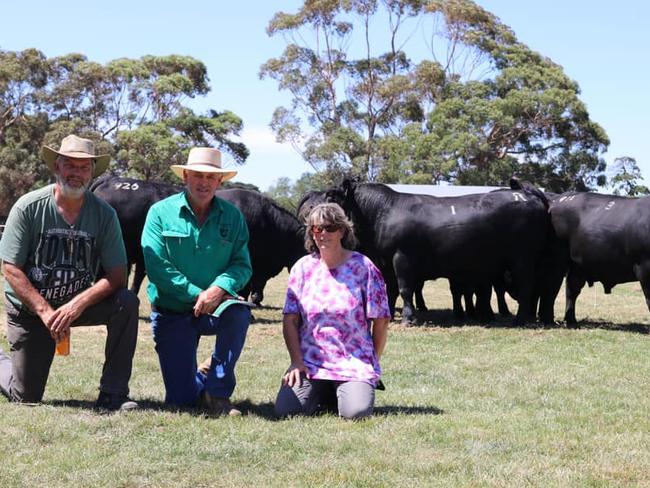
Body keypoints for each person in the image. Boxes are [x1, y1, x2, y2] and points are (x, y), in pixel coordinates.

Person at [0, 134, 139, 411]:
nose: (77, 173)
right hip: (31, 311)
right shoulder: (29, 207)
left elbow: (117, 274)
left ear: (91, 172)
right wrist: (44, 311)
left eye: (84, 167)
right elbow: (10, 268)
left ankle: (113, 394)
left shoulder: (104, 214)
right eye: (70, 165)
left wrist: (76, 305)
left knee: (127, 302)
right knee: (25, 396)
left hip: (74, 305)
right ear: (57, 167)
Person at [141, 147, 252, 416]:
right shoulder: (160, 213)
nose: (204, 182)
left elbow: (242, 264)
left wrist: (218, 289)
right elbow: (157, 268)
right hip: (172, 310)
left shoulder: (232, 216)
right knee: (182, 402)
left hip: (215, 306)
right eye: (198, 175)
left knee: (238, 312)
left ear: (220, 181)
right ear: (186, 176)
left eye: (211, 177)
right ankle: (203, 378)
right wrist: (196, 293)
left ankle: (218, 392)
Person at [275, 203, 390, 419]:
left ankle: (349, 388)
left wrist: (372, 361)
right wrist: (296, 361)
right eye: (316, 229)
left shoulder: (364, 267)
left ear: (342, 230)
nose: (322, 234)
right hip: (311, 362)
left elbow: (381, 321)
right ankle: (327, 390)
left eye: (329, 227)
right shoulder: (302, 268)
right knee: (286, 410)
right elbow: (290, 320)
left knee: (355, 413)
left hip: (353, 361)